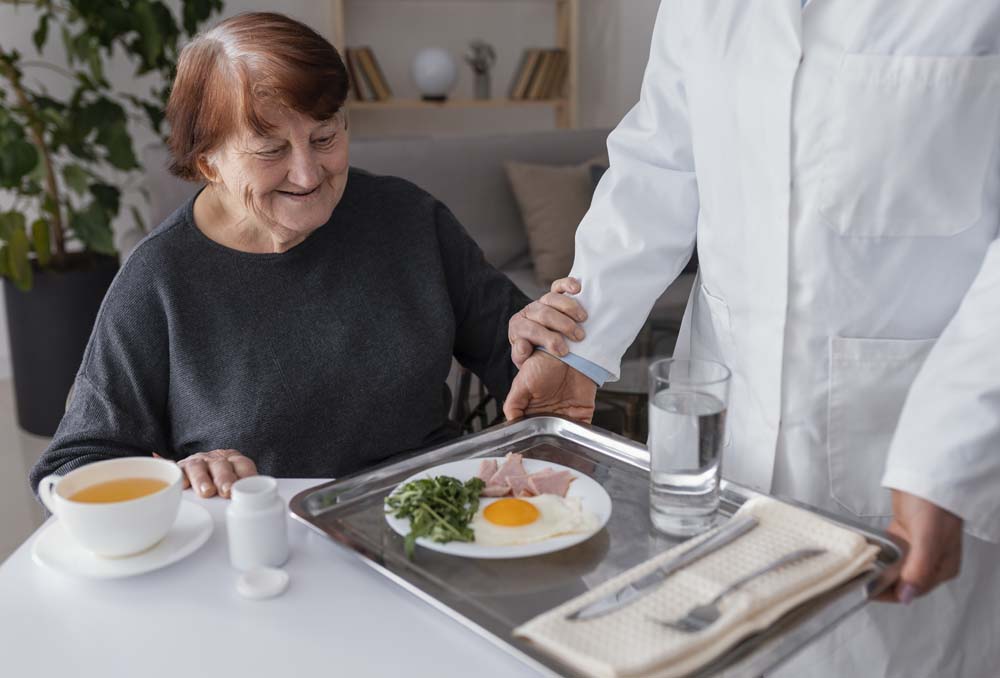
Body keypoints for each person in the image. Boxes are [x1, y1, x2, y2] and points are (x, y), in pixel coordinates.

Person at [502, 2, 1000, 676]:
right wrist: (582, 347)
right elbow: (660, 163)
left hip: (913, 451)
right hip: (717, 446)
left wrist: (943, 462)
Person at [28, 12, 581, 499]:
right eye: (271, 150)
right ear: (207, 162)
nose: (308, 173)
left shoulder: (408, 217)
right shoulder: (160, 278)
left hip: (430, 517)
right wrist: (183, 476)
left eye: (324, 137)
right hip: (268, 547)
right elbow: (73, 465)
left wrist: (545, 352)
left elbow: (518, 360)